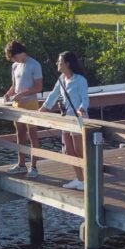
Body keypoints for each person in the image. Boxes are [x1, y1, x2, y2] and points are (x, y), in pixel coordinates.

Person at [39, 51, 89, 190]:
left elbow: (85, 99)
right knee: (69, 151)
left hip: (78, 120)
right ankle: (80, 179)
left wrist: (81, 109)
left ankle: (87, 179)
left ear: (67, 63)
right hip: (65, 119)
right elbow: (53, 96)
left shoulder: (80, 80)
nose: (57, 64)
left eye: (59, 61)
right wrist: (41, 111)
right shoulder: (61, 79)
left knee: (79, 151)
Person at [2, 40, 43, 177]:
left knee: (32, 135)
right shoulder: (15, 66)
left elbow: (38, 87)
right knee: (20, 134)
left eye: (14, 57)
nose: (13, 60)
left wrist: (22, 94)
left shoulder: (34, 64)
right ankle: (21, 165)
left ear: (20, 53)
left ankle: (34, 167)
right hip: (17, 104)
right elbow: (14, 86)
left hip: (30, 103)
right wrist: (8, 94)